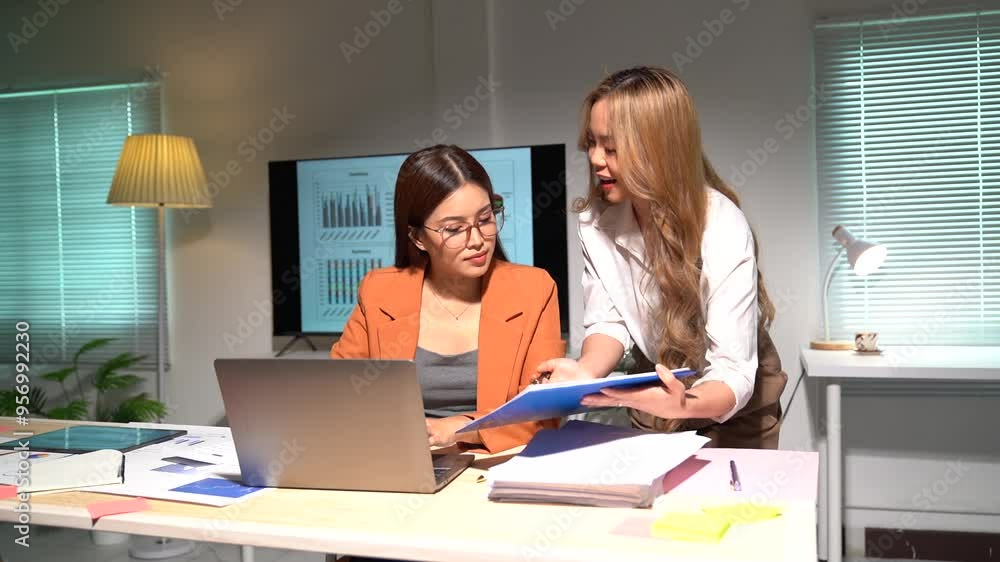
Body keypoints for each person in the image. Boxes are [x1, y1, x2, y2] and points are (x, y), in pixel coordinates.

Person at [537, 66, 787, 448]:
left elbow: (733, 369)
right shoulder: (595, 221)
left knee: (726, 504)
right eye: (591, 143)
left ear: (657, 150)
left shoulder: (721, 223)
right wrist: (584, 373)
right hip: (660, 382)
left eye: (612, 148)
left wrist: (684, 403)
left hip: (734, 401)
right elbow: (609, 320)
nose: (595, 159)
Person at [331, 144, 564, 453]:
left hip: (494, 467)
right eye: (455, 229)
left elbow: (543, 415)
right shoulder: (379, 292)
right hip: (400, 462)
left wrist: (458, 429)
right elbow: (339, 399)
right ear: (417, 237)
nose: (478, 241)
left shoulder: (533, 289)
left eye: (485, 219)